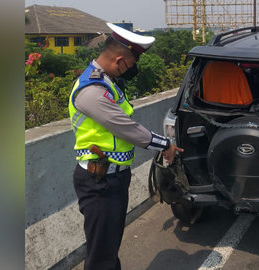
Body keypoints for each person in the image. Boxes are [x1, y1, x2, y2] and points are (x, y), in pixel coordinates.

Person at [68, 23, 183, 270]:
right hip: (99, 183)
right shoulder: (91, 90)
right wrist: (165, 145)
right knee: (101, 257)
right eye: (131, 65)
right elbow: (126, 128)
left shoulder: (108, 82)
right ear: (119, 59)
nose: (132, 70)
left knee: (108, 249)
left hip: (113, 178)